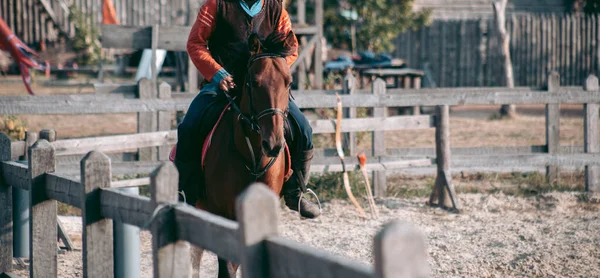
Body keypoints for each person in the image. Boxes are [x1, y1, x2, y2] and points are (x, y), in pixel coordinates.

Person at [175, 0, 321, 218]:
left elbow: (291, 49)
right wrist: (217, 73)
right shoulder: (216, 5)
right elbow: (195, 43)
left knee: (303, 129)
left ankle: (295, 192)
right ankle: (186, 192)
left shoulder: (276, 10)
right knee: (189, 125)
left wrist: (270, 70)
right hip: (223, 84)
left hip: (263, 89)